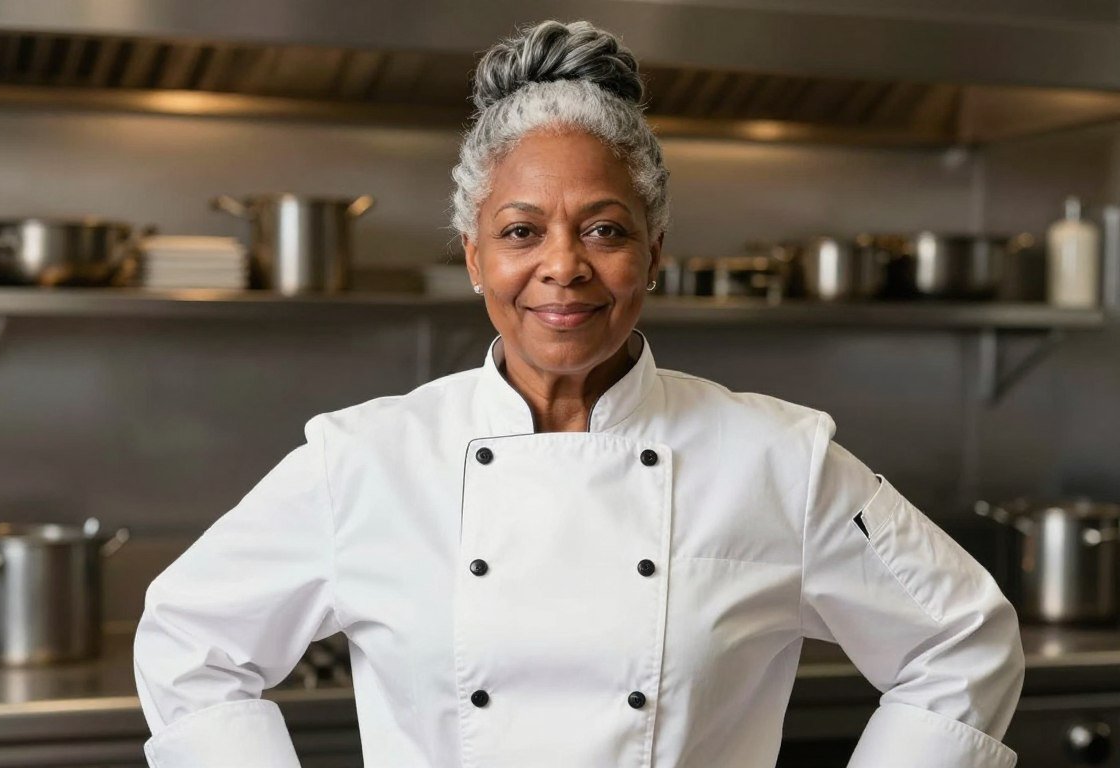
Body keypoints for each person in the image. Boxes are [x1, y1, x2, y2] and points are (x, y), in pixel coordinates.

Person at [134, 20, 1025, 768]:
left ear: (654, 252)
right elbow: (188, 644)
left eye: (604, 229)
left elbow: (963, 642)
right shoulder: (365, 460)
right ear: (475, 255)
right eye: (521, 231)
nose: (563, 266)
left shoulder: (777, 460)